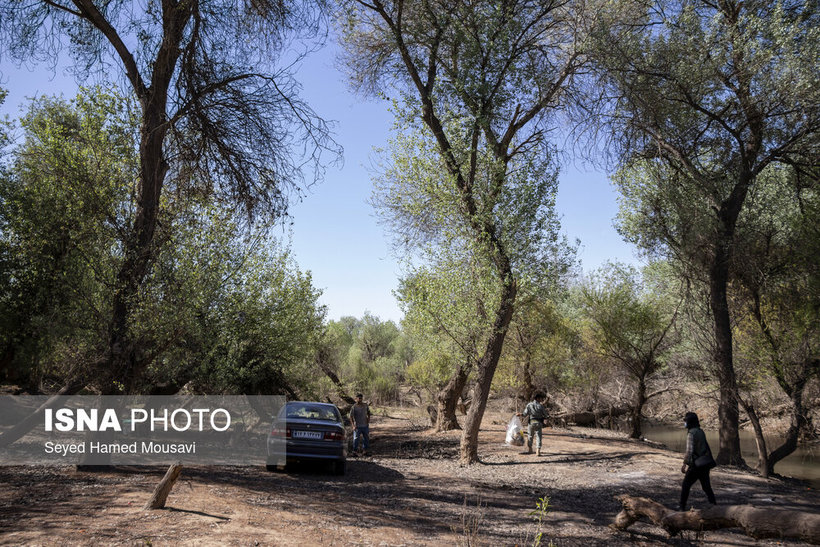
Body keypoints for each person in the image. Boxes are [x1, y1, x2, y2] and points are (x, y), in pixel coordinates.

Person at [679, 411, 717, 510]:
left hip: (696, 465)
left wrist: (685, 463)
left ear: (689, 422)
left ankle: (681, 507)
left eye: (685, 421)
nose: (685, 423)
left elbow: (689, 450)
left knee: (686, 485)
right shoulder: (700, 431)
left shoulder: (691, 433)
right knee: (706, 486)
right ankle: (714, 504)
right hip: (704, 464)